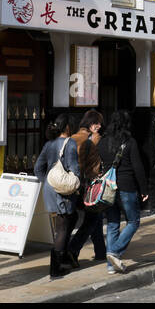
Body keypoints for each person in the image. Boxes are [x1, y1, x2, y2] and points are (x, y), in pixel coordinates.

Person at [96, 111, 149, 274]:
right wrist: (144, 189)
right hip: (126, 187)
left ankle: (111, 266)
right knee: (133, 222)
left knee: (112, 224)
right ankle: (115, 252)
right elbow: (138, 167)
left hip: (109, 189)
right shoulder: (130, 142)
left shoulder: (102, 142)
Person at [34, 113, 81, 279]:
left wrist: (48, 182)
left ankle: (64, 256)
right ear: (68, 127)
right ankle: (56, 268)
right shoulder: (70, 144)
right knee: (61, 227)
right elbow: (74, 169)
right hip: (63, 192)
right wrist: (77, 182)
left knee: (70, 218)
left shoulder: (49, 144)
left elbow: (37, 168)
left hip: (50, 190)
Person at [67, 110, 106, 264]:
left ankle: (101, 252)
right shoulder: (90, 140)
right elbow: (90, 164)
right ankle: (72, 249)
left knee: (95, 218)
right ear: (90, 124)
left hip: (74, 185)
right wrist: (95, 141)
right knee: (93, 218)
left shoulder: (72, 138)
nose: (99, 126)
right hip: (87, 185)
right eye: (96, 123)